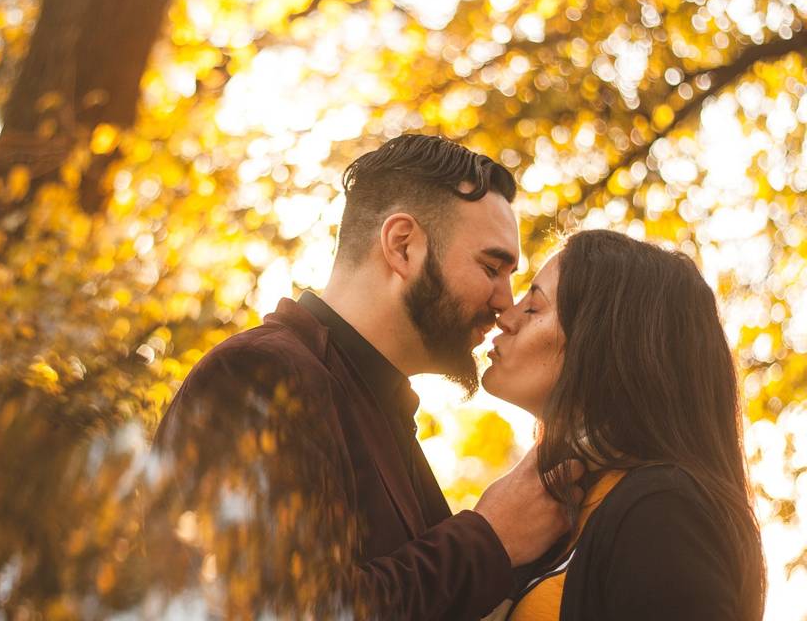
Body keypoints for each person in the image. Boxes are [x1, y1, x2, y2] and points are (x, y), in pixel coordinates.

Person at [152, 135, 582, 619]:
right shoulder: (257, 376)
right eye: (491, 267)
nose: (505, 302)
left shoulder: (378, 404)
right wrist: (491, 537)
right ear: (402, 246)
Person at [481, 229, 766, 620]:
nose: (506, 318)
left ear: (604, 342)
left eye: (533, 308)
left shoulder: (664, 511)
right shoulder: (563, 505)